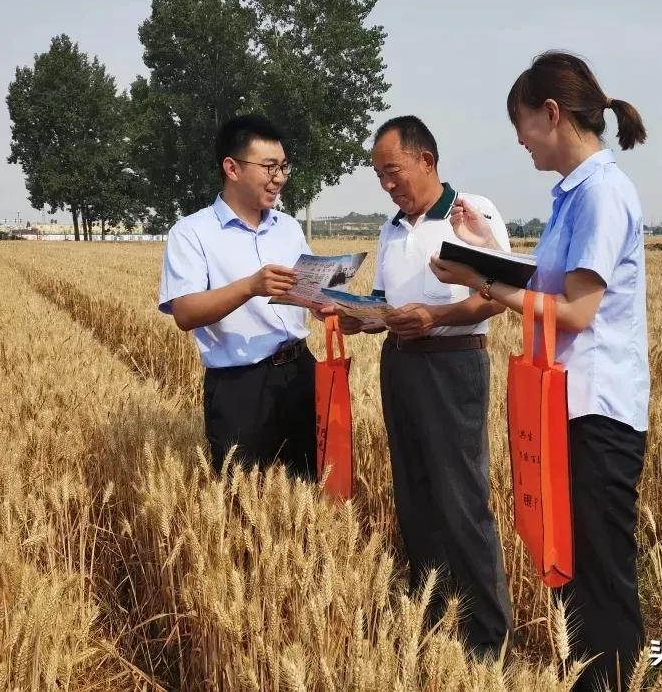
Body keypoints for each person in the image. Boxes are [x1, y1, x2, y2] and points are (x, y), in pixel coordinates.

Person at [429, 52, 650, 691]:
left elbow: (576, 311)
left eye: (522, 124)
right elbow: (547, 281)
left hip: (597, 410)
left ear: (552, 113)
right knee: (571, 566)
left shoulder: (603, 193)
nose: (520, 140)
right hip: (565, 406)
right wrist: (489, 252)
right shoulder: (577, 194)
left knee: (600, 576)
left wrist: (479, 282)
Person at [337, 115, 514, 658]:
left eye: (393, 172)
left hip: (453, 366)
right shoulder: (392, 228)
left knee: (461, 499)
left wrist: (435, 319)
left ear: (426, 161)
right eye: (380, 176)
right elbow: (389, 303)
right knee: (413, 495)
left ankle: (489, 639)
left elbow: (498, 295)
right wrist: (360, 318)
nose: (388, 185)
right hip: (401, 364)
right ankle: (433, 618)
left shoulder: (473, 213)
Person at [158, 114, 318, 479]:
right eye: (269, 167)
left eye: (283, 167)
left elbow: (307, 291)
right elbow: (185, 312)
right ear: (231, 167)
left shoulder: (289, 228)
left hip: (300, 372)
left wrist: (327, 304)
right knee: (245, 502)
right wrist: (250, 286)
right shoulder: (192, 233)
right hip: (240, 386)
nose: (278, 177)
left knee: (311, 487)